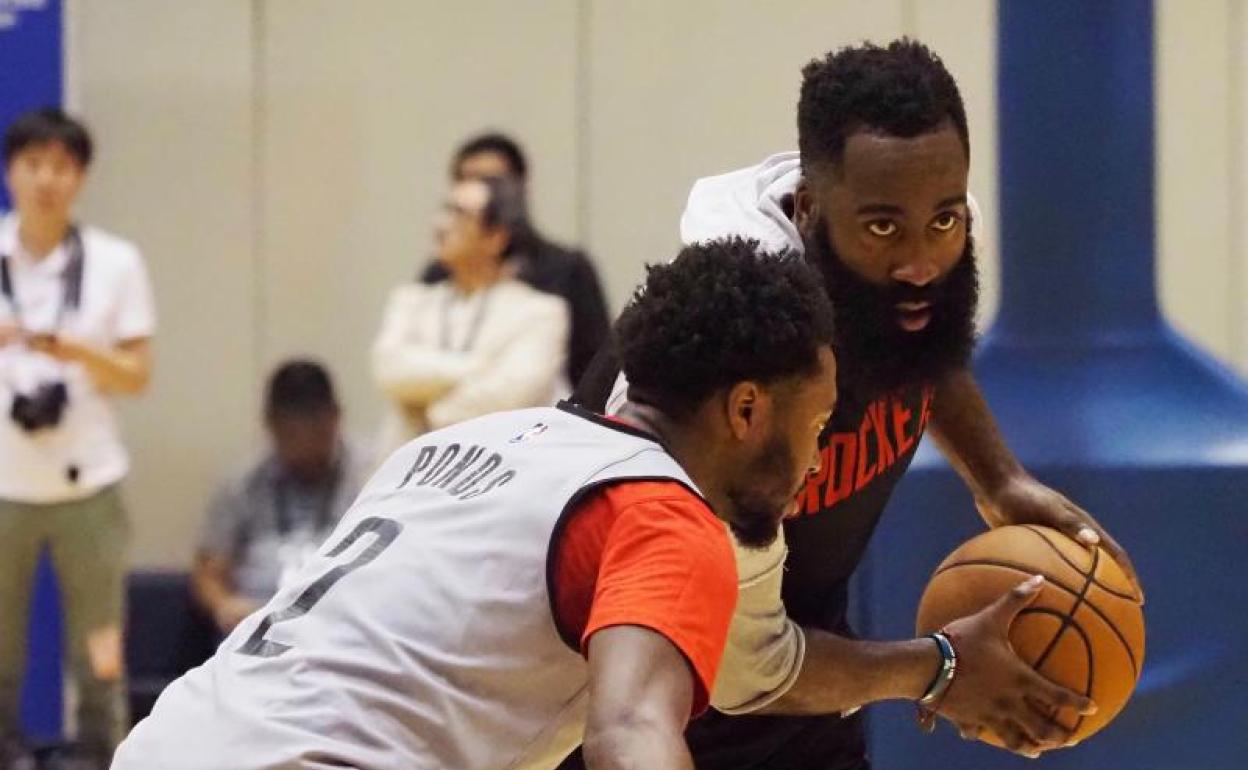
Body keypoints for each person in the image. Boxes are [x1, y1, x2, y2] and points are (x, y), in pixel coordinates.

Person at [566, 39, 1138, 769]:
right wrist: (943, 668)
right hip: (660, 704)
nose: (920, 261)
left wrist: (998, 479)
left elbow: (925, 333)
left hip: (806, 681)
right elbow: (747, 670)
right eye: (882, 228)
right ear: (808, 212)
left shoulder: (915, 250)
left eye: (946, 220)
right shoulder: (734, 368)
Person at [110, 237, 839, 770]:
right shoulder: (662, 512)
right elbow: (628, 734)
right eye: (816, 424)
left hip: (170, 740)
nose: (816, 457)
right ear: (746, 410)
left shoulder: (459, 443)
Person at [0, 108, 155, 767]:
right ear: (12, 171)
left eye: (62, 167)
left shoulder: (116, 263)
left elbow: (138, 374)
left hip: (88, 482)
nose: (46, 180)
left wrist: (79, 351)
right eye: (34, 164)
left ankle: (103, 754)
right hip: (3, 482)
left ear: (81, 177)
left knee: (99, 643)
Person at [372, 175, 569, 459]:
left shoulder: (541, 312)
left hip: (497, 472)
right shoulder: (411, 301)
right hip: (406, 476)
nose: (440, 225)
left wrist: (429, 409)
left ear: (495, 238)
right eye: (443, 210)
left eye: (458, 214)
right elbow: (389, 368)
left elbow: (508, 397)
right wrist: (479, 367)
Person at [191, 360, 369, 636]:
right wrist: (225, 606)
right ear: (271, 424)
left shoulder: (369, 478)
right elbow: (209, 572)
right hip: (258, 628)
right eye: (291, 433)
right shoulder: (241, 485)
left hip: (343, 627)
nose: (304, 445)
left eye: (314, 430)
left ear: (335, 419)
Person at [422, 132, 611, 388]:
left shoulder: (567, 269)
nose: (475, 190)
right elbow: (396, 366)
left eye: (490, 180)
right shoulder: (436, 275)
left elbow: (592, 369)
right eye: (464, 180)